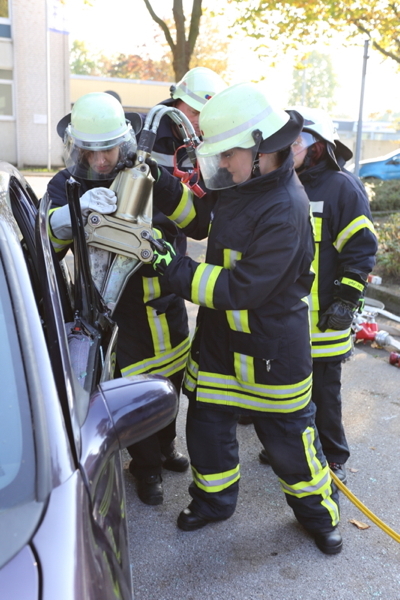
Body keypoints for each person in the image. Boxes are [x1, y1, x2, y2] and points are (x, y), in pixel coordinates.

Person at [145, 83, 342, 555]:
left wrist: (174, 268)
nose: (222, 163)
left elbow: (240, 289)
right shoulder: (242, 184)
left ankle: (319, 514)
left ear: (260, 149)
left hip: (270, 351)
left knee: (291, 444)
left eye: (227, 154)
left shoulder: (285, 207)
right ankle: (213, 502)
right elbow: (199, 220)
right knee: (207, 430)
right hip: (220, 345)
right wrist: (160, 182)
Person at [47, 91, 190, 506]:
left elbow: (194, 223)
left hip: (164, 306)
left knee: (170, 383)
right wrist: (70, 214)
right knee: (131, 394)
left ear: (123, 142)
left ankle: (166, 446)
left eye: (107, 150)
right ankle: (145, 469)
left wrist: (162, 183)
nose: (99, 161)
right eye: (89, 152)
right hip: (113, 315)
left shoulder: (145, 175)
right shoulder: (66, 185)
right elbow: (46, 249)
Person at [259, 106, 377, 484]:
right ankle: (288, 448)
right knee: (286, 392)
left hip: (324, 321)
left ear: (319, 146)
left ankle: (332, 456)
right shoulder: (280, 185)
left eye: (298, 141)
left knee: (324, 395)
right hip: (285, 319)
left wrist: (346, 302)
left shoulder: (342, 187)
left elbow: (360, 249)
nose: (289, 149)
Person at [150, 67, 227, 255]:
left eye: (206, 115)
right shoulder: (143, 135)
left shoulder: (209, 151)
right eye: (194, 112)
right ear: (176, 103)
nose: (200, 122)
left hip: (175, 249)